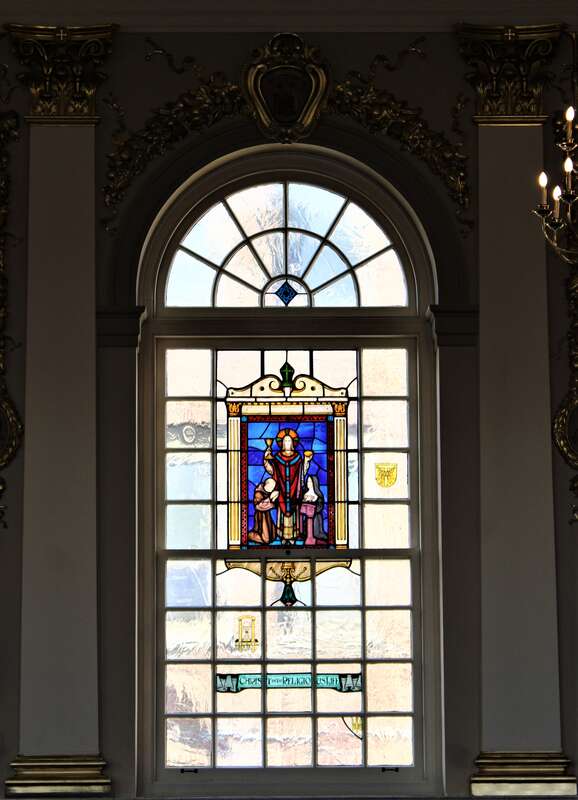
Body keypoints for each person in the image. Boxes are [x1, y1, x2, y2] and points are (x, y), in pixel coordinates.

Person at [264, 429, 312, 544]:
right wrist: (266, 460)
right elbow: (272, 471)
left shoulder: (297, 457)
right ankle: (283, 537)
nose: (287, 443)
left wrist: (306, 461)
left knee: (293, 512)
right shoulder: (277, 457)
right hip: (281, 489)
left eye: (289, 441)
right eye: (285, 441)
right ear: (282, 444)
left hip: (294, 489)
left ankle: (293, 537)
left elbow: (302, 473)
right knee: (282, 511)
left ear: (293, 443)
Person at [248, 477, 279, 545]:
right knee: (263, 538)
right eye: (255, 498)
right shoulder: (258, 512)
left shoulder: (264, 509)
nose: (255, 500)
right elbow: (259, 506)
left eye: (258, 498)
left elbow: (266, 539)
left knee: (271, 537)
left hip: (266, 519)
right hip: (261, 518)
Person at [300, 473, 326, 544]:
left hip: (315, 518)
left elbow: (320, 507)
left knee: (316, 533)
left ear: (314, 482)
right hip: (305, 518)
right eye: (308, 481)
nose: (308, 483)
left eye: (310, 482)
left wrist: (312, 508)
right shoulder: (304, 494)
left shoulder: (318, 495)